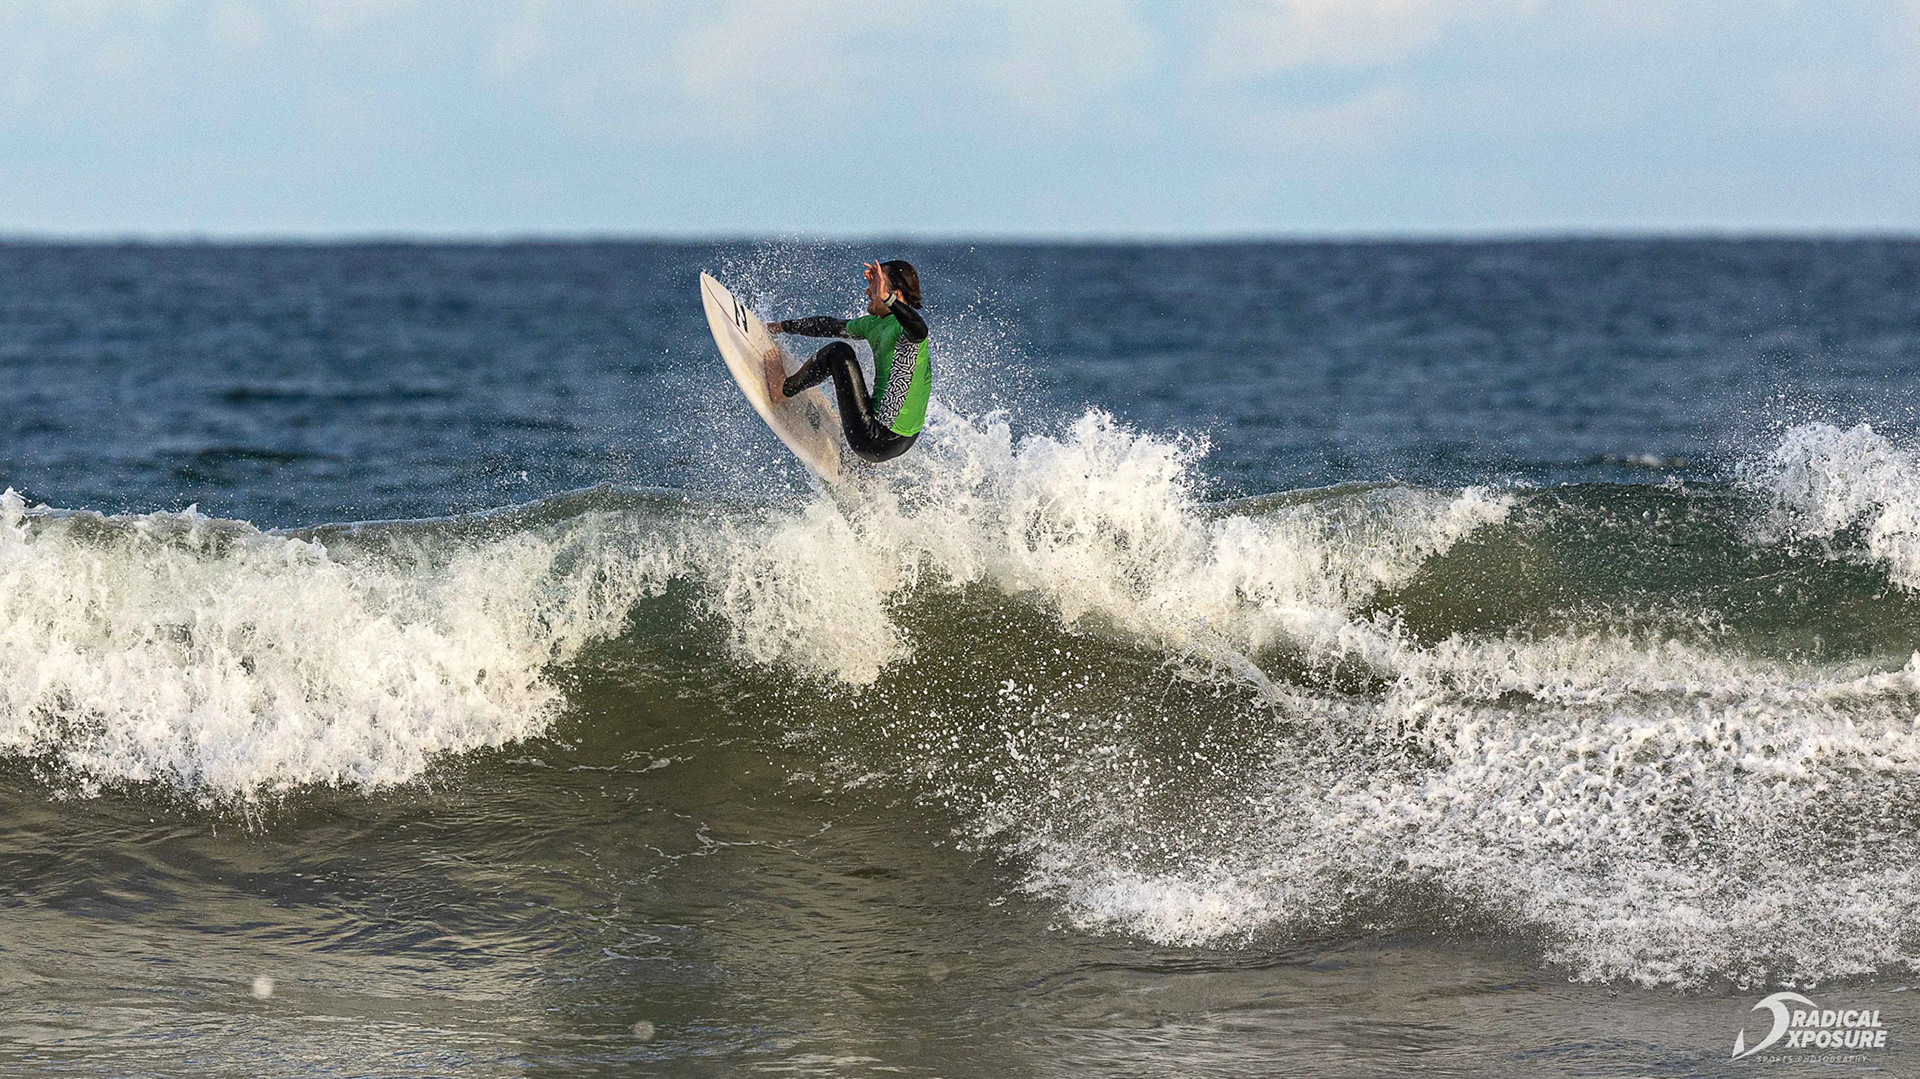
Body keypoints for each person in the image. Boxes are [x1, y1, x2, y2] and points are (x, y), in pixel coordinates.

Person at [765, 259, 931, 463]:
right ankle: (860, 471)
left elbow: (920, 329)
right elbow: (830, 326)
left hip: (875, 440)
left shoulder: (907, 333)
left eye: (875, 287)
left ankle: (781, 389)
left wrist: (886, 298)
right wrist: (782, 327)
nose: (868, 291)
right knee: (866, 385)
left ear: (894, 295)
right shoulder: (873, 324)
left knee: (839, 352)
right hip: (903, 439)